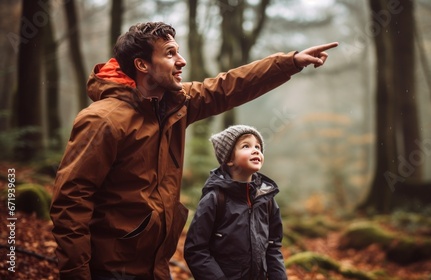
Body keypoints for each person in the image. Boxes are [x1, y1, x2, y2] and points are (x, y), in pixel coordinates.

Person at [50, 21, 338, 280]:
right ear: (142, 65)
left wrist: (291, 62)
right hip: (110, 269)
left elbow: (229, 86)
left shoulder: (176, 105)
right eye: (170, 53)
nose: (181, 61)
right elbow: (71, 201)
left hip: (156, 267)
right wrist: (76, 274)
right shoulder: (103, 120)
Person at [184, 125, 287, 280]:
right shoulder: (215, 199)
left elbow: (273, 246)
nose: (256, 150)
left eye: (258, 147)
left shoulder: (267, 199)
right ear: (229, 159)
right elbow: (196, 250)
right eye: (246, 146)